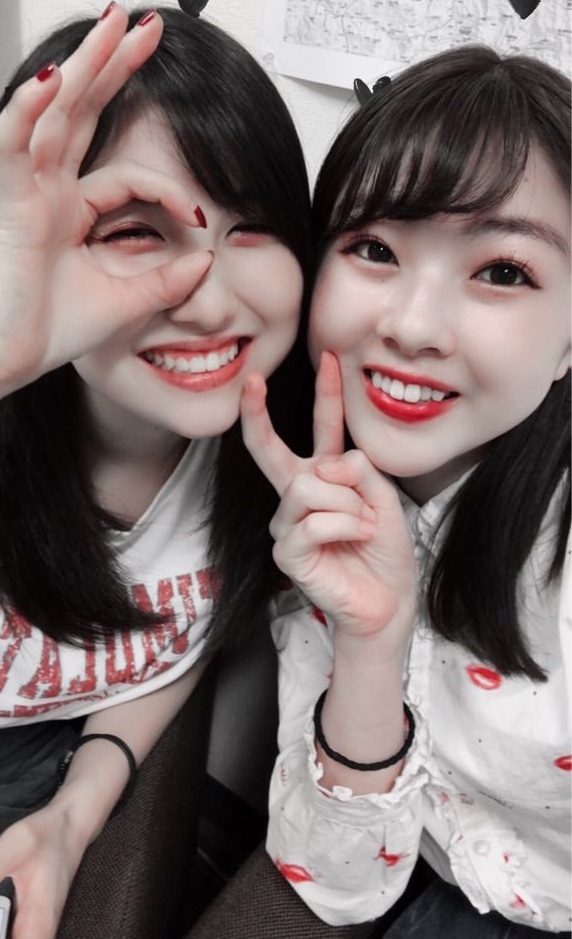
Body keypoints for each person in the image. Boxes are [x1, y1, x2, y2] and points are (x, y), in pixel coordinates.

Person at [0, 1, 312, 937]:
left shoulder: (272, 458)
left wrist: (75, 815)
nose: (209, 300)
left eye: (251, 227)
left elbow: (161, 646)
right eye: (134, 232)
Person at [238, 46, 571, 937]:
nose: (414, 327)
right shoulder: (311, 506)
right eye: (375, 249)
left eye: (503, 271)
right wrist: (371, 641)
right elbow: (337, 886)